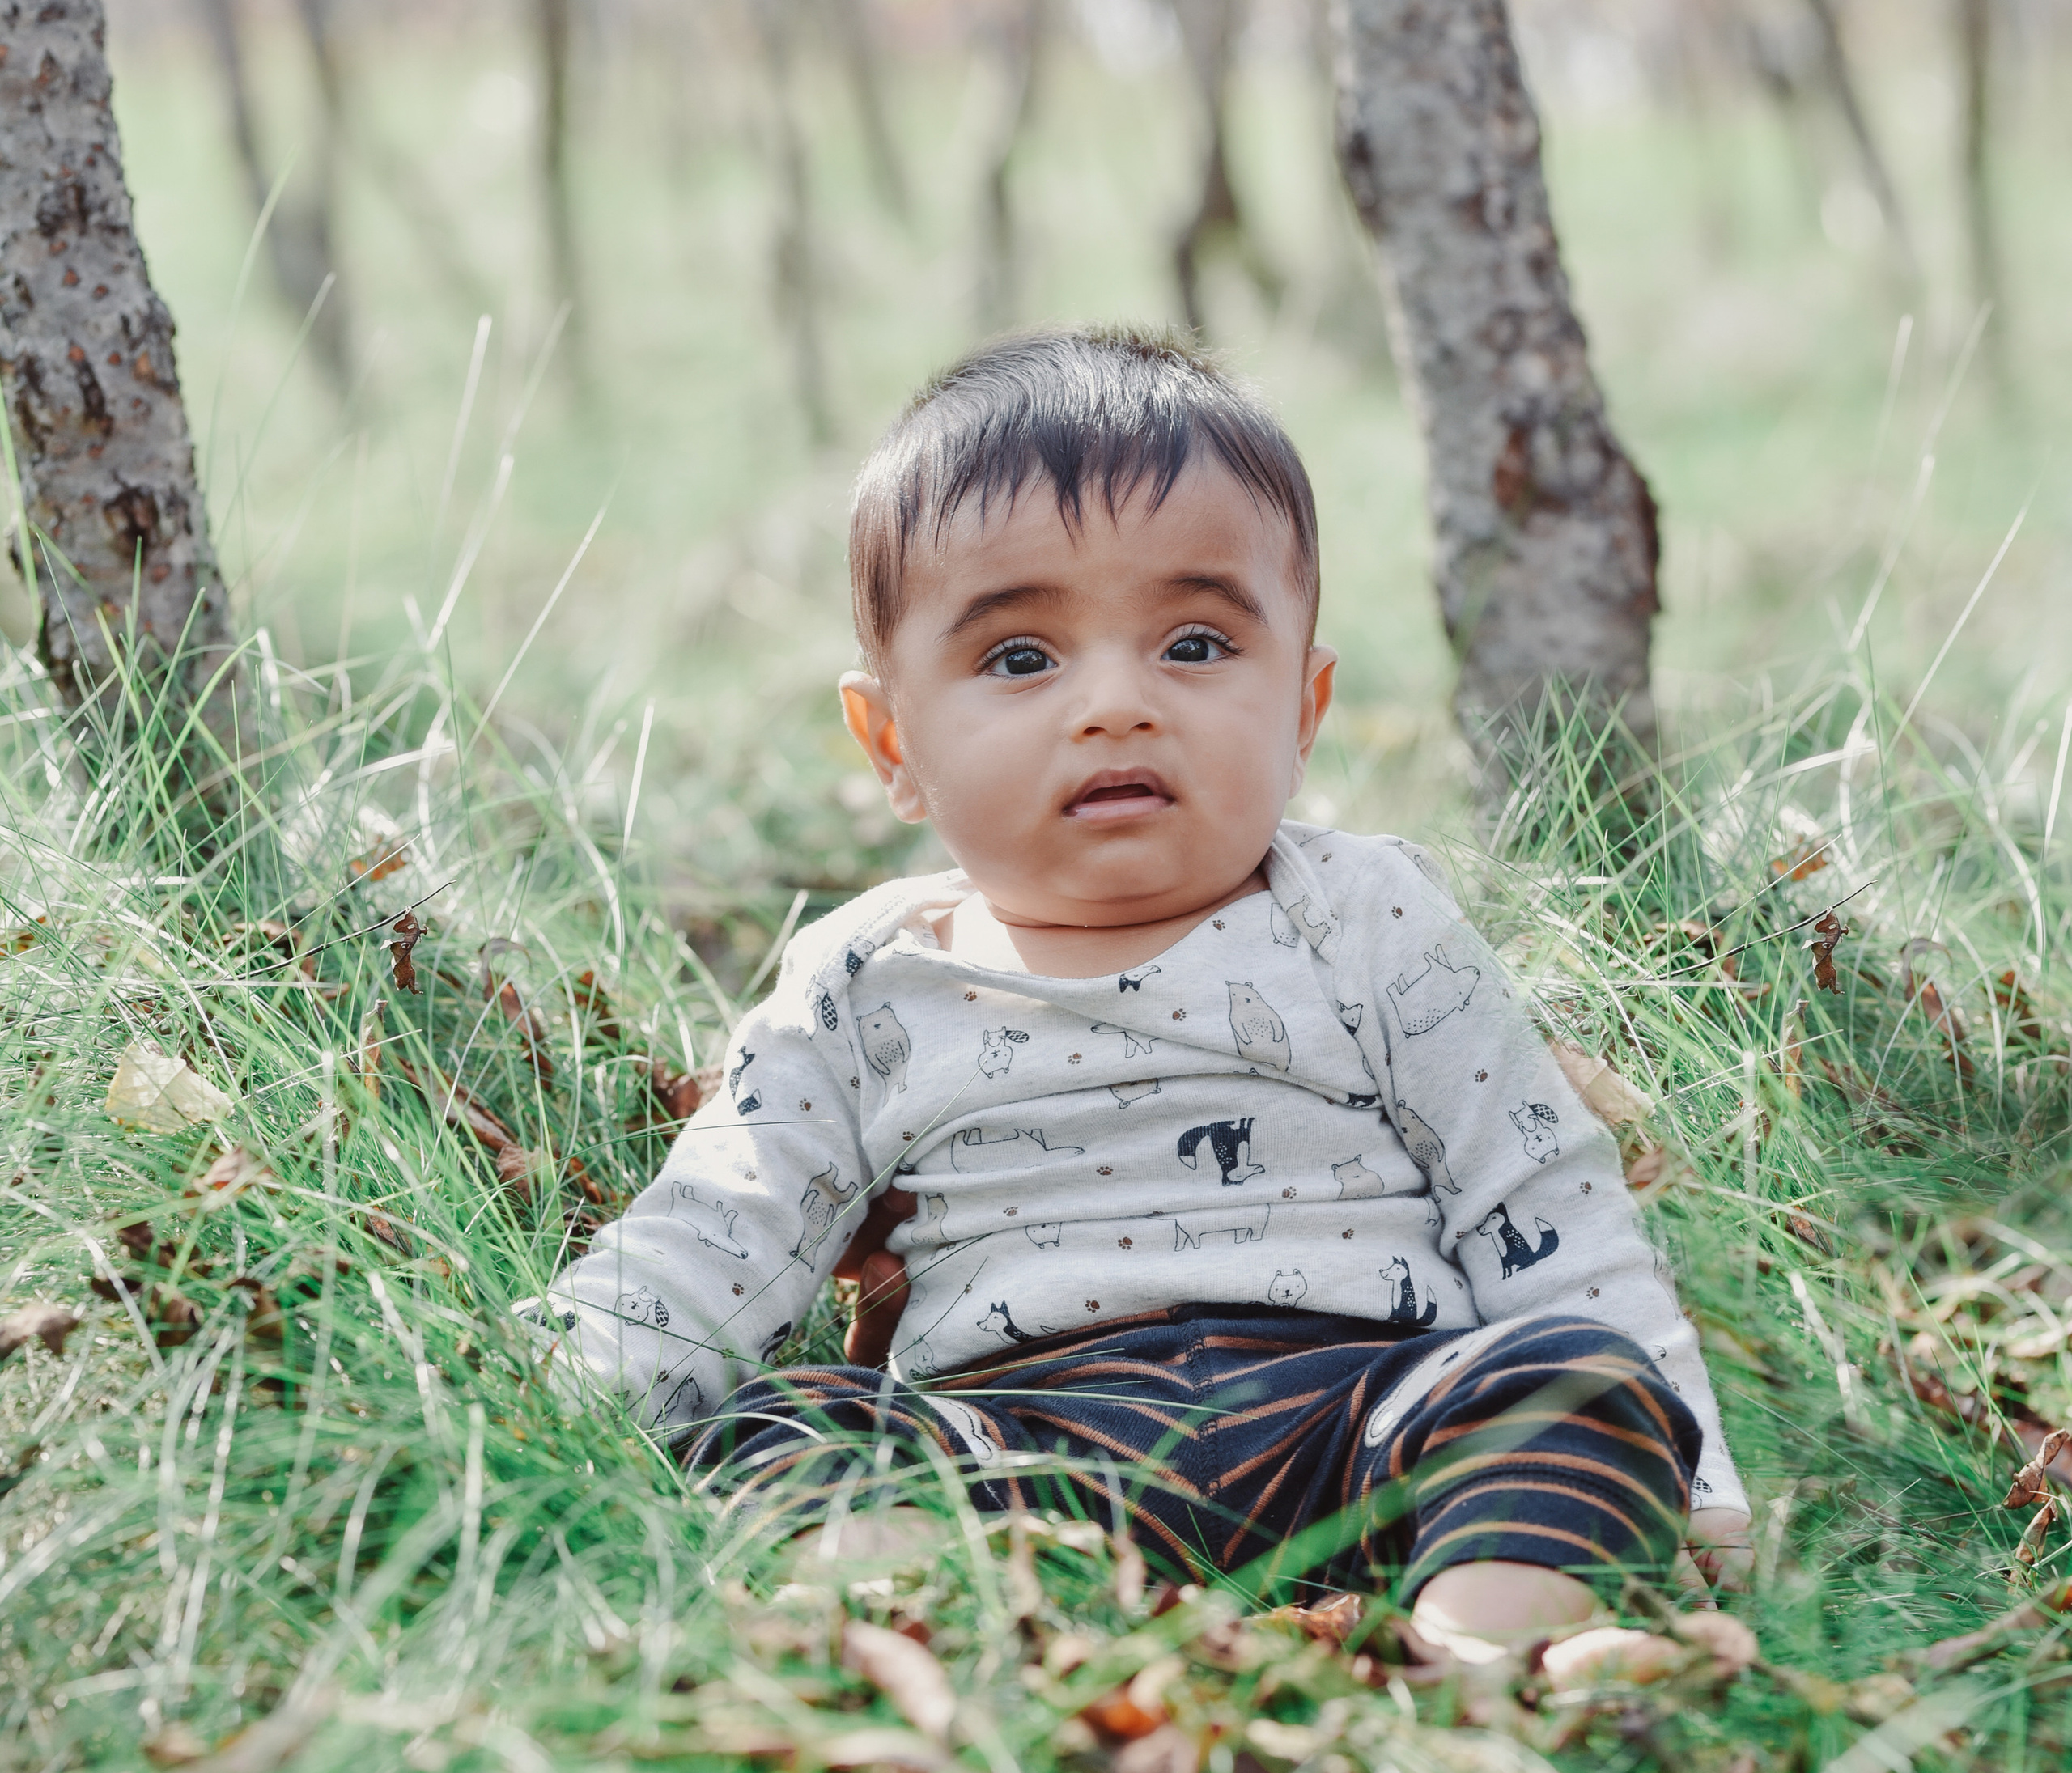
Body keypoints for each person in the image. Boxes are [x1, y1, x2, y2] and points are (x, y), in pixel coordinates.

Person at [536, 328, 1751, 1686]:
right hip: (1028, 1442)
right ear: (895, 745)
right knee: (794, 1426)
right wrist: (551, 1408)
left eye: (1193, 642)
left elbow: (1538, 1191)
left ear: (1304, 702)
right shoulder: (868, 977)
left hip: (1362, 1417)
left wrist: (1694, 1466)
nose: (1116, 704)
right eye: (1017, 658)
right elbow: (725, 1222)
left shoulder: (1371, 916)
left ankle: (1492, 1643)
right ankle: (935, 1623)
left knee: (1571, 1378)